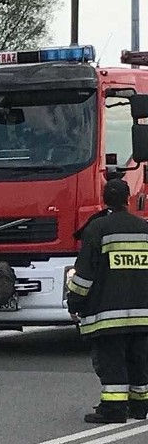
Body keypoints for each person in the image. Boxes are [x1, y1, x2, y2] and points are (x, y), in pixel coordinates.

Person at [67, 178, 148, 424]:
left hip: (107, 314)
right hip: (143, 314)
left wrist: (75, 302)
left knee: (112, 362)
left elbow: (84, 275)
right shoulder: (144, 229)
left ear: (105, 199)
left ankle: (113, 410)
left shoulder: (97, 228)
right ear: (128, 199)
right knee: (139, 360)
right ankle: (139, 406)